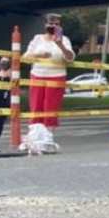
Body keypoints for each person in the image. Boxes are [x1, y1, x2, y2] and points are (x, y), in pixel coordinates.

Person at [24, 14, 74, 149]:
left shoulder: (64, 39)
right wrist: (38, 55)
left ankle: (47, 137)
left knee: (51, 107)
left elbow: (70, 58)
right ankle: (34, 137)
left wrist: (61, 45)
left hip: (56, 76)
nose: (53, 26)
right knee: (36, 106)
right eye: (51, 24)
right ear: (45, 25)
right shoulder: (37, 38)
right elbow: (26, 57)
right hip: (37, 75)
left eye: (56, 24)